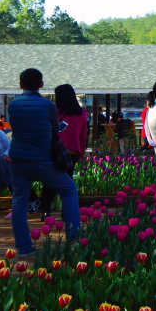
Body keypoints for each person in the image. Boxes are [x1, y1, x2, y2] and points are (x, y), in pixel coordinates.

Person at [8, 68, 81, 256]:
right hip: (43, 160)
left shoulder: (13, 105)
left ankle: (24, 247)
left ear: (20, 85)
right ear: (41, 85)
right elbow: (55, 129)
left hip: (18, 161)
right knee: (69, 189)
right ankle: (74, 237)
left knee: (19, 202)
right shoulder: (48, 105)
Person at [41, 84, 88, 215]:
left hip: (53, 151)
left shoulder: (53, 111)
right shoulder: (81, 114)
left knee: (48, 181)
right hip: (71, 152)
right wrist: (80, 153)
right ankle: (66, 212)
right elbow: (83, 135)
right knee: (67, 182)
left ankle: (46, 210)